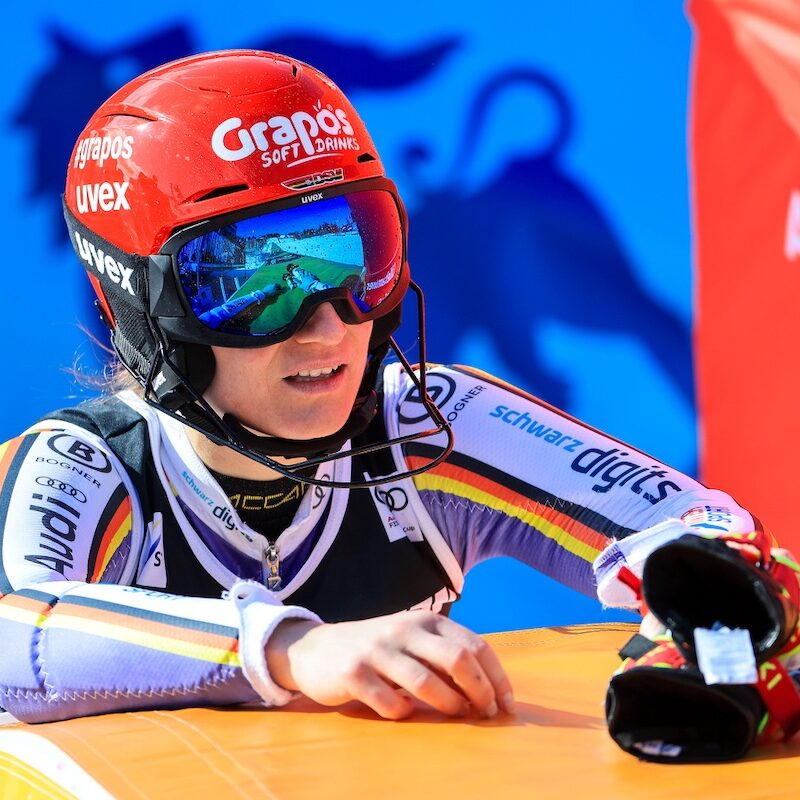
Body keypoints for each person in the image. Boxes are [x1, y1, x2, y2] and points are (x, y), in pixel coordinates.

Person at [0, 49, 765, 724]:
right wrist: (293, 650)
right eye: (255, 281)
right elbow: (12, 634)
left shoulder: (425, 421)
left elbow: (712, 534)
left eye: (354, 256)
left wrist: (713, 607)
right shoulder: (82, 465)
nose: (329, 327)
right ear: (143, 308)